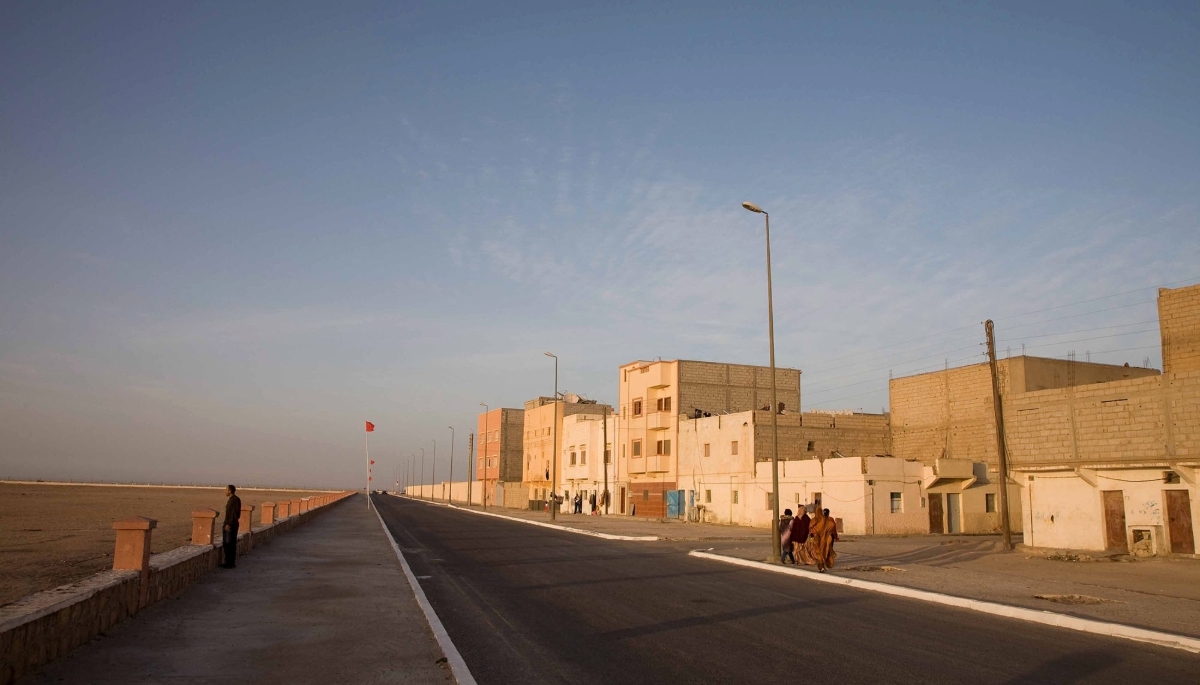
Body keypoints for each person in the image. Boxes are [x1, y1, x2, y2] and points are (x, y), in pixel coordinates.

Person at [805, 506, 838, 572]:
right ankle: (823, 565)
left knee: (818, 553)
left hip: (817, 540)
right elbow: (832, 526)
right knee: (824, 552)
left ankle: (821, 567)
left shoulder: (814, 520)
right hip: (825, 540)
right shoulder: (826, 520)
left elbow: (811, 529)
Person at [221, 484, 241, 569]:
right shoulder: (232, 500)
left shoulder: (235, 500)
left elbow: (235, 514)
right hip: (229, 523)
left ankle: (230, 563)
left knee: (229, 544)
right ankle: (228, 562)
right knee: (227, 544)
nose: (224, 491)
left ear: (230, 491)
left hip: (230, 525)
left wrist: (229, 524)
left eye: (226, 490)